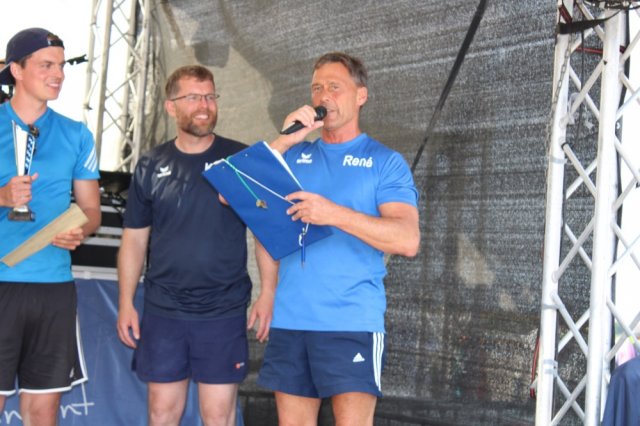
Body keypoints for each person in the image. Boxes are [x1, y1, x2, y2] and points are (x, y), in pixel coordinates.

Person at [255, 52, 420, 425]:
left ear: (361, 95)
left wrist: (334, 214)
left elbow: (407, 239)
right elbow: (231, 196)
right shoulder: (292, 155)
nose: (323, 96)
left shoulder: (384, 161)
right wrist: (283, 141)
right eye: (317, 88)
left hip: (351, 322)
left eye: (334, 87)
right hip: (291, 319)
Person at [116, 65, 273, 426]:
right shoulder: (150, 164)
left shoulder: (240, 160)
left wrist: (268, 292)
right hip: (163, 309)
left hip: (223, 309)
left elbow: (265, 231)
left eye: (209, 96)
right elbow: (135, 239)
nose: (204, 105)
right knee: (161, 413)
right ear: (171, 106)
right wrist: (125, 302)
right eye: (193, 97)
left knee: (217, 415)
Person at [0, 28, 101, 425]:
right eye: (46, 65)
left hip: (53, 287)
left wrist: (81, 230)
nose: (58, 74)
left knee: (43, 410)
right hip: (2, 282)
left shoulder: (77, 134)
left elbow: (91, 210)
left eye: (60, 66)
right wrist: (2, 196)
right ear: (16, 70)